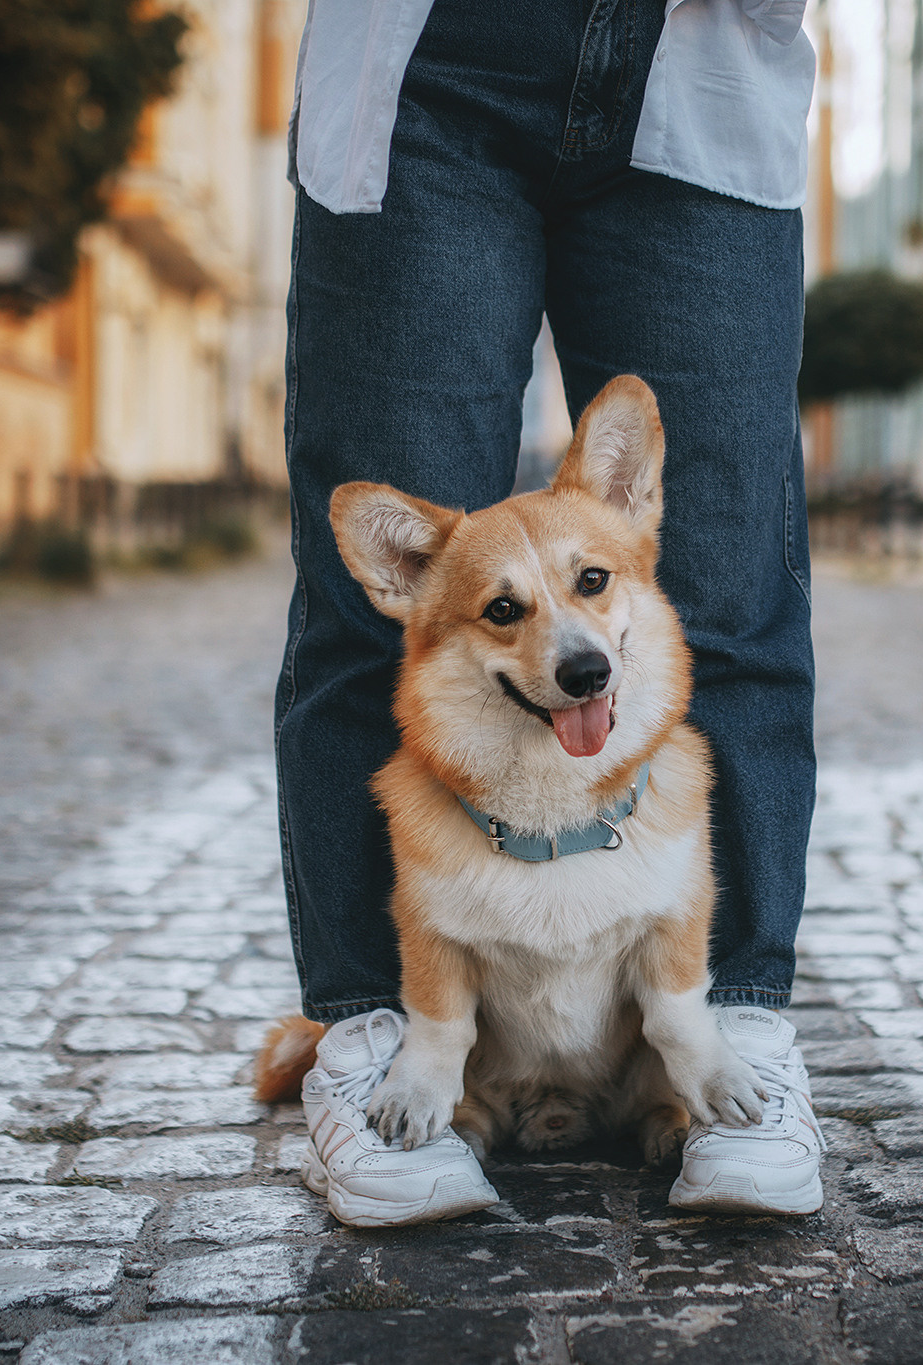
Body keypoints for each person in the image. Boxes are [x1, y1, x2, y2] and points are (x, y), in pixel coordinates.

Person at [274, 0, 822, 1223]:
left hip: (706, 57)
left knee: (731, 593)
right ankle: (384, 1037)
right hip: (427, 62)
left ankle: (724, 1031)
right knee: (377, 627)